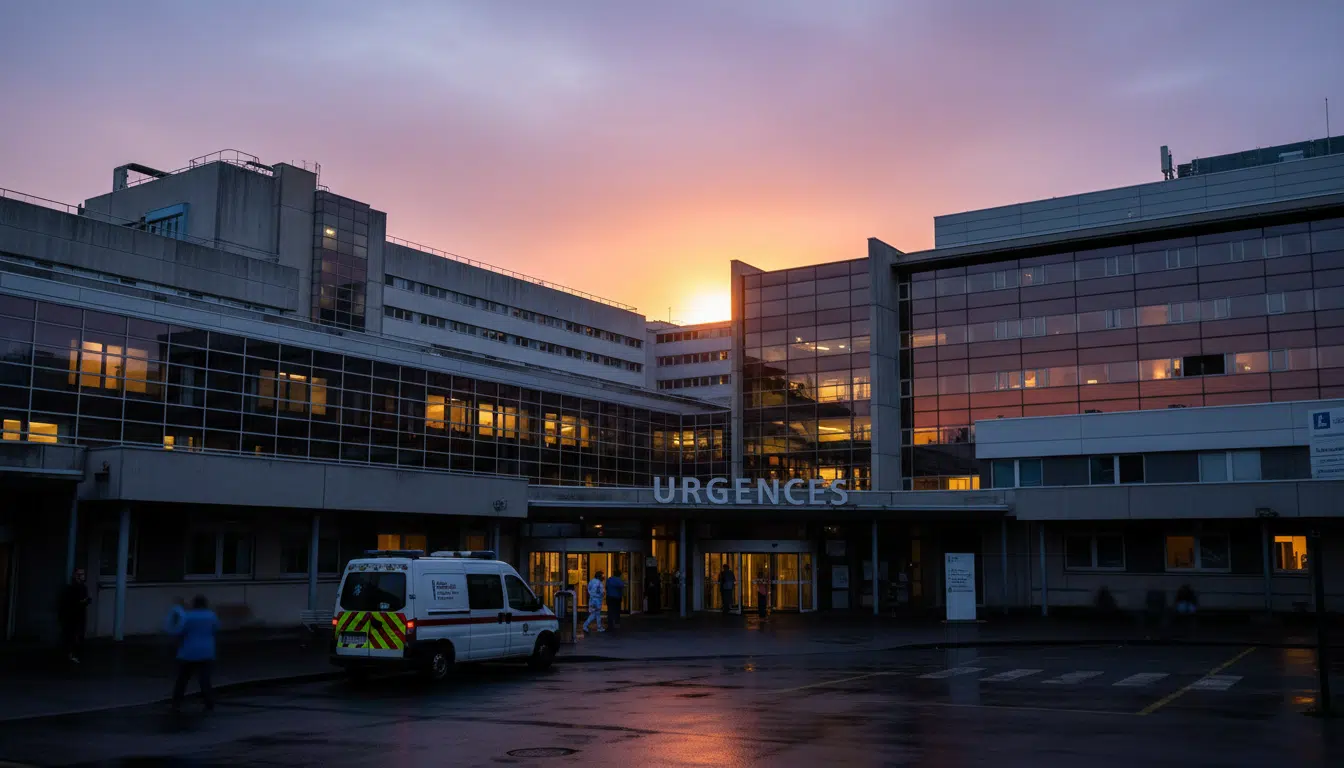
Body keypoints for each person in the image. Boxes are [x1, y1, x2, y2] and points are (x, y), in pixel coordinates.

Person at [171, 595, 220, 713]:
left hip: (189, 652)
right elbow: (216, 629)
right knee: (204, 679)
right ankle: (209, 702)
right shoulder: (211, 615)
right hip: (206, 651)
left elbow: (179, 631)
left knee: (183, 678)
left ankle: (177, 703)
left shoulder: (188, 616)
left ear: (194, 604)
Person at [58, 569, 91, 663]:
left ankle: (72, 654)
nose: (83, 576)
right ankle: (70, 654)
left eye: (83, 574)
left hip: (80, 614)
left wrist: (86, 601)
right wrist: (82, 602)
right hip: (73, 615)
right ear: (77, 576)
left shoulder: (83, 587)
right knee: (71, 635)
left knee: (78, 634)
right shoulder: (72, 588)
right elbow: (71, 602)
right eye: (81, 574)